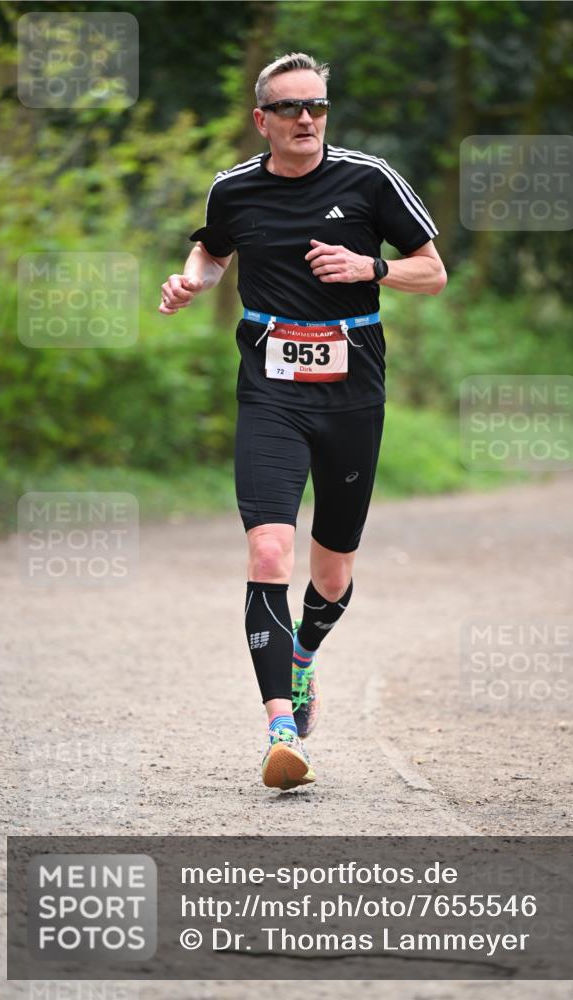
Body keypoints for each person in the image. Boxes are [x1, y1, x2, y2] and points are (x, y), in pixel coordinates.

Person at [159, 52, 447, 791]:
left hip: (352, 394)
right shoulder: (234, 188)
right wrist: (192, 282)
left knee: (332, 571)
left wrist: (370, 269)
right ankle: (280, 731)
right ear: (262, 119)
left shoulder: (369, 179)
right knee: (267, 552)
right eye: (289, 108)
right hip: (270, 393)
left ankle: (304, 653)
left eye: (316, 105)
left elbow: (433, 271)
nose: (306, 119)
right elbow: (211, 249)